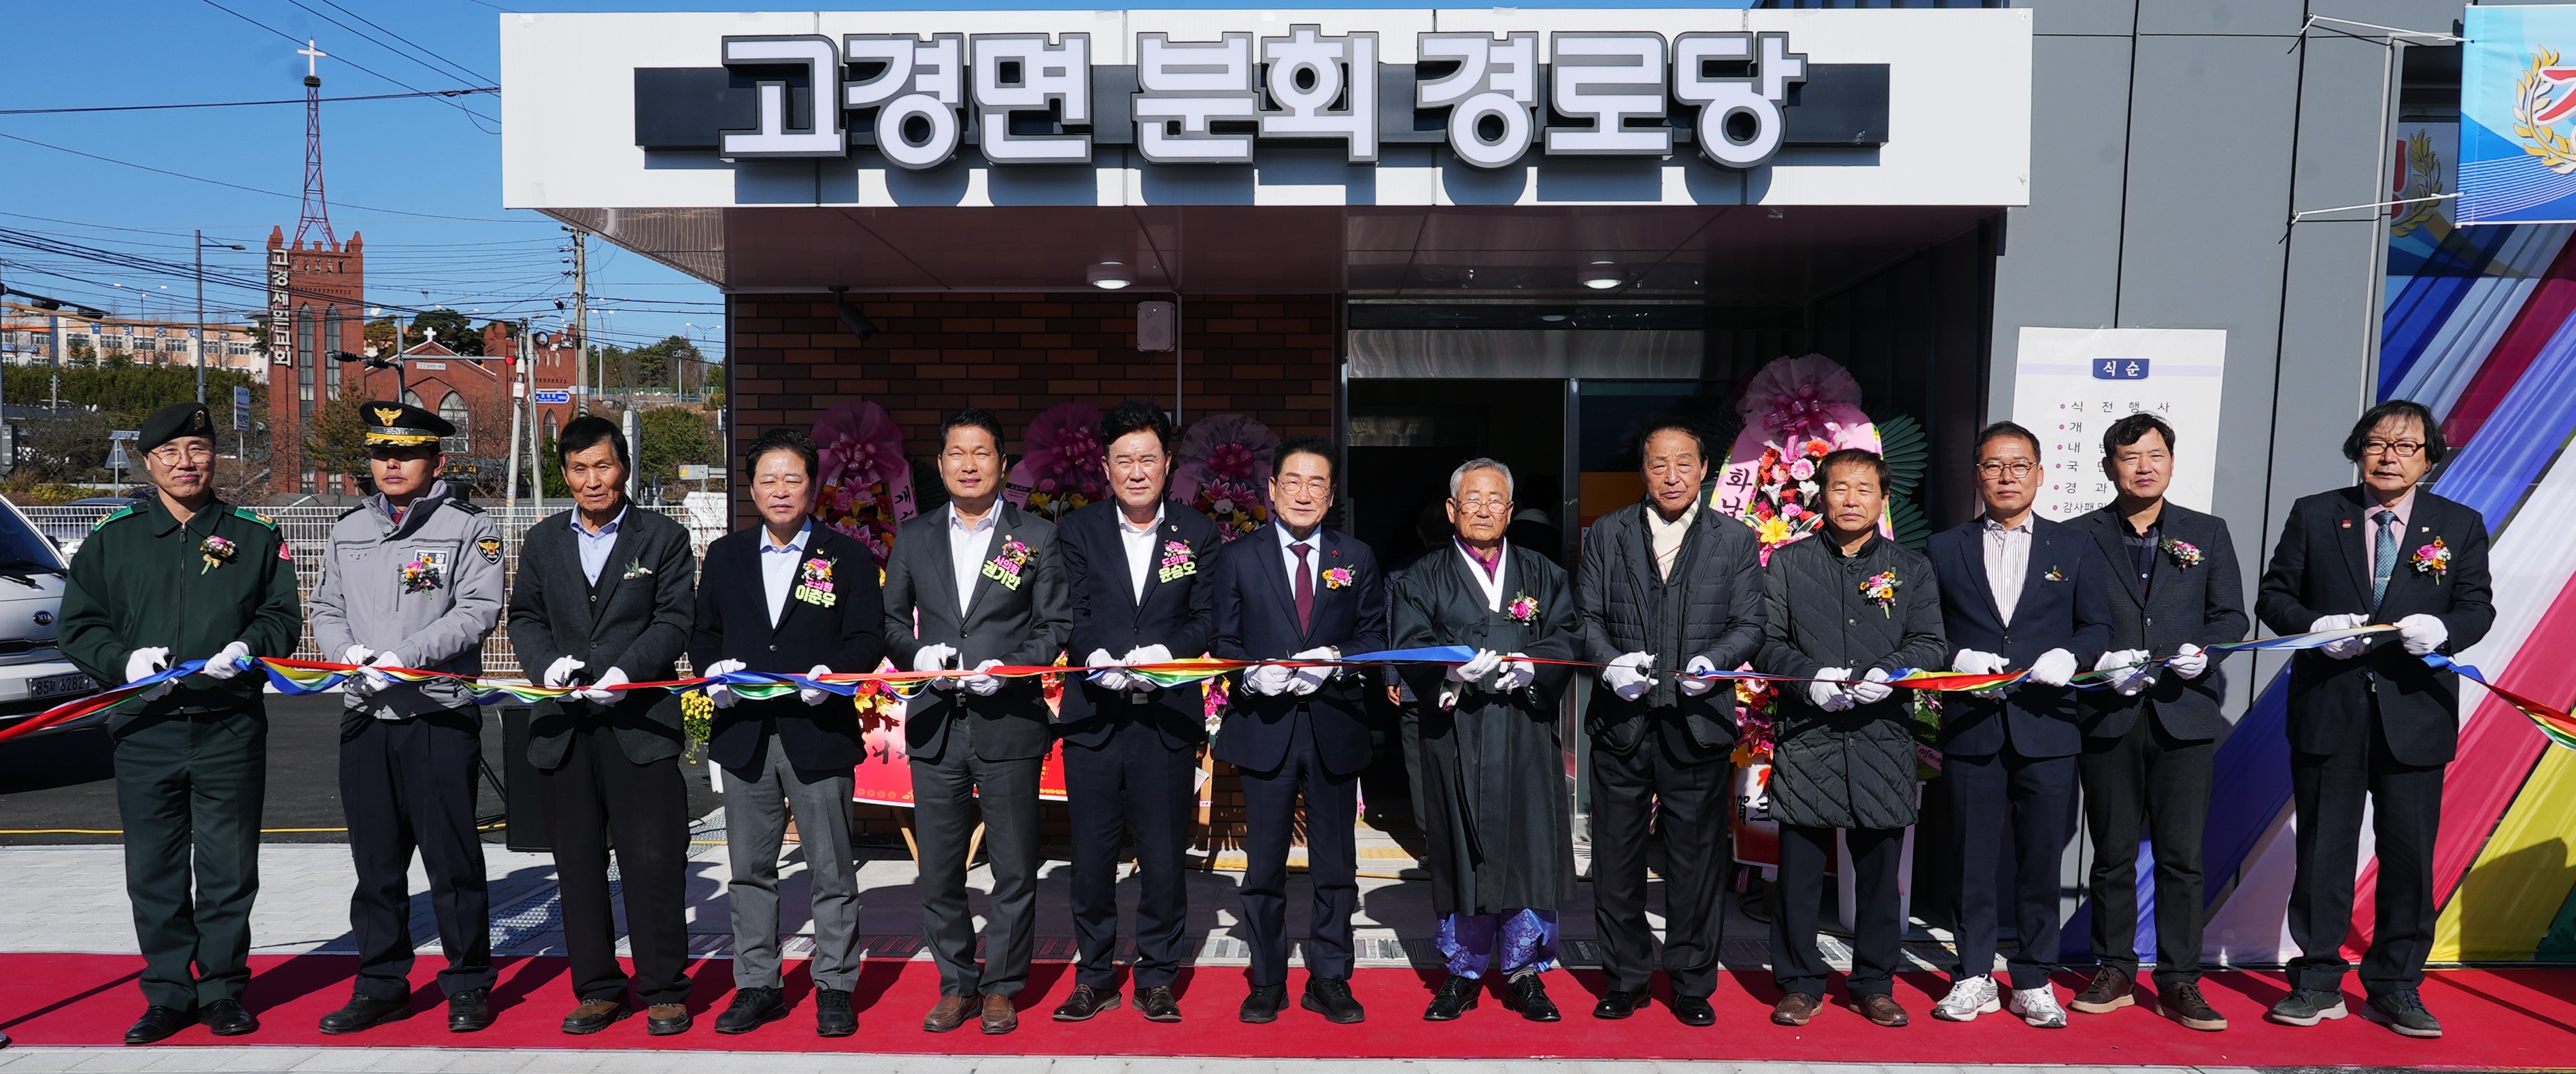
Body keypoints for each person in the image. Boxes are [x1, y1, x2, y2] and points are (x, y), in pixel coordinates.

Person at [58, 401, 301, 1045]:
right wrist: (123, 662)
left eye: (197, 448)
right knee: (154, 869)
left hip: (228, 723)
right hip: (146, 725)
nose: (185, 462)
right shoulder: (114, 539)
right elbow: (79, 624)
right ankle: (168, 993)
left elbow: (282, 615)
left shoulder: (254, 534)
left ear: (215, 455)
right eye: (169, 452)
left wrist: (248, 646)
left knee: (228, 868)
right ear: (147, 462)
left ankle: (222, 990)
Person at [2256, 399, 2492, 1039]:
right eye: (2377, 443)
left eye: (2406, 446)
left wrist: (2445, 629)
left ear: (2429, 458)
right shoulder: (2315, 513)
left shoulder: (2459, 524)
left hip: (2415, 713)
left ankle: (2395, 985)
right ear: (2358, 450)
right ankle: (2316, 981)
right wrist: (2316, 627)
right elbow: (2274, 597)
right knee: (2323, 852)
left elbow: (2477, 607)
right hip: (2329, 709)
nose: (2390, 456)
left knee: (2409, 856)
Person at [307, 402, 507, 1035]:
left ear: (436, 462)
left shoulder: (469, 527)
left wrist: (406, 657)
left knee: (452, 862)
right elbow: (325, 606)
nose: (392, 464)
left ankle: (468, 981)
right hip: (366, 713)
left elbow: (478, 609)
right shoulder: (348, 529)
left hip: (436, 712)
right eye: (381, 453)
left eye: (408, 453)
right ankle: (381, 982)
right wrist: (346, 652)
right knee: (376, 864)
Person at [880, 407, 1071, 1036]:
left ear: (1003, 464)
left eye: (981, 452)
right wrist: (916, 656)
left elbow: (1055, 626)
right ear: (940, 465)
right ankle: (957, 982)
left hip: (1008, 719)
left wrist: (1011, 668)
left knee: (1013, 866)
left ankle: (1002, 986)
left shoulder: (1035, 535)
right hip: (937, 720)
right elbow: (889, 621)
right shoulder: (914, 536)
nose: (968, 464)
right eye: (957, 453)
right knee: (940, 868)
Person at [507, 416, 699, 1036]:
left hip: (638, 721)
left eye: (603, 466)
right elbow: (525, 616)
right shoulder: (543, 541)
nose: (592, 480)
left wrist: (626, 670)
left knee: (653, 860)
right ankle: (596, 987)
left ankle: (664, 988)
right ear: (565, 474)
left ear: (624, 468)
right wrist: (544, 664)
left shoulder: (664, 537)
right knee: (577, 864)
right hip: (564, 724)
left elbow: (675, 619)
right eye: (579, 468)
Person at [692, 428, 885, 1038]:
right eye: (768, 479)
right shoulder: (725, 555)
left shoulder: (847, 556)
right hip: (744, 731)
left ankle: (836, 984)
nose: (780, 490)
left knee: (832, 868)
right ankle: (758, 984)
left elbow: (867, 637)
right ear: (751, 489)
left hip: (817, 729)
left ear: (813, 486)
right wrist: (712, 671)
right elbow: (703, 633)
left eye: (792, 478)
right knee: (750, 868)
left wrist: (836, 675)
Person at [1572, 417, 1763, 1026]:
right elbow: (1585, 618)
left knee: (1696, 862)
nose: (1672, 475)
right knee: (1616, 860)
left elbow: (1750, 623)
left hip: (1698, 722)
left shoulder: (1734, 539)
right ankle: (1625, 978)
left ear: (1705, 468)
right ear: (1643, 471)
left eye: (1685, 463)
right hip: (1621, 723)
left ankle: (1691, 982)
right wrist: (1609, 663)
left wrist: (1717, 661)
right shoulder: (1610, 532)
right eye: (1659, 463)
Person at [2063, 412, 2248, 1030]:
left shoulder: (2207, 531)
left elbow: (2231, 616)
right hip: (2109, 712)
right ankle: (2115, 967)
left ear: (2171, 461)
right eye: (2130, 456)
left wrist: (2206, 653)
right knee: (2112, 853)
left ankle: (2180, 978)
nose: (2144, 467)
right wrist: (2096, 661)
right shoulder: (2078, 536)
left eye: (2155, 455)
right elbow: (2065, 618)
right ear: (2108, 466)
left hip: (2183, 714)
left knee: (2181, 856)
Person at [1925, 422, 2111, 1028]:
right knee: (1970, 860)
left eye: (2019, 464)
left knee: (2039, 861)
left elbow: (2097, 626)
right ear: (1977, 474)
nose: (2007, 476)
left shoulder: (2074, 545)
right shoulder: (1944, 547)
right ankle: (1974, 973)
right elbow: (1924, 629)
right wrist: (1956, 656)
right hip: (1973, 724)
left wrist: (2072, 655)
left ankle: (2033, 978)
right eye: (1994, 465)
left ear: (2039, 472)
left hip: (2048, 725)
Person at [1755, 448, 1946, 1029]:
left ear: (1883, 499)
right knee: (1798, 876)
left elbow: (1931, 642)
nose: (1851, 499)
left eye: (1865, 488)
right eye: (1840, 487)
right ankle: (1799, 982)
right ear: (1822, 495)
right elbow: (1765, 640)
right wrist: (1809, 677)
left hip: (1881, 737)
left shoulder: (1911, 567)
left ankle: (1874, 983)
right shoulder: (1788, 563)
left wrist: (1889, 673)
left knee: (1880, 878)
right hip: (1809, 736)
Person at [1051, 402, 1222, 1024]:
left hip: (1166, 719)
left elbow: (1208, 617)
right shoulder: (1077, 530)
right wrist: (1092, 652)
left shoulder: (1197, 533)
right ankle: (1095, 975)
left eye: (1148, 458)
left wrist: (1167, 654)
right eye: (1124, 460)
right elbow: (1068, 610)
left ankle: (1157, 976)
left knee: (1164, 856)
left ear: (1168, 463)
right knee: (1092, 859)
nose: (1137, 471)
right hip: (1095, 717)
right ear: (1105, 467)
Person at [1391, 458, 1580, 1023]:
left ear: (1511, 509)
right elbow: (1410, 641)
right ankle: (1464, 970)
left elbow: (1568, 633)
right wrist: (1449, 672)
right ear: (1452, 509)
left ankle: (1524, 971)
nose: (1483, 508)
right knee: (1460, 847)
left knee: (1529, 846)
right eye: (1471, 498)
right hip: (1457, 732)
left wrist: (1536, 667)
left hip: (1524, 729)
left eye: (1495, 499)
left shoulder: (1543, 573)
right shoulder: (1422, 576)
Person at [1209, 434, 1387, 1026]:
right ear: (1272, 489)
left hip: (1334, 723)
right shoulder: (1239, 557)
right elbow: (1223, 640)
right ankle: (1266, 979)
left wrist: (1335, 657)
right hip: (1266, 727)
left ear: (1331, 495)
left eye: (1317, 484)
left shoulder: (1355, 555)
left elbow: (1374, 636)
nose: (1304, 494)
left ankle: (1330, 976)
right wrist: (1250, 675)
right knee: (1263, 866)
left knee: (1336, 867)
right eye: (1293, 482)